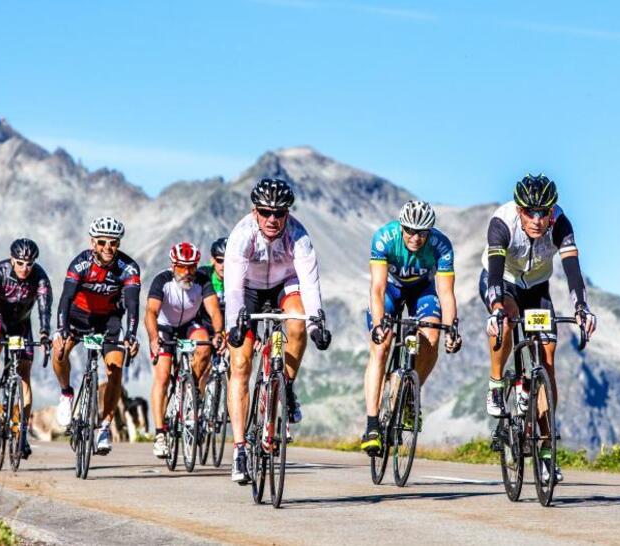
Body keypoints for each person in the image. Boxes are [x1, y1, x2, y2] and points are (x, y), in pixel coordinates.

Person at [480, 174, 597, 483]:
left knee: (548, 358)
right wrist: (495, 309)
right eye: (529, 212)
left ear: (551, 210)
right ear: (519, 210)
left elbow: (573, 272)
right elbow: (493, 274)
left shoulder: (561, 225)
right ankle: (495, 384)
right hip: (502, 282)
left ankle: (545, 452)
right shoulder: (501, 222)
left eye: (542, 212)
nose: (536, 219)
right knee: (507, 314)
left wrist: (581, 308)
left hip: (536, 287)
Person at [224, 178, 333, 483]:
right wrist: (235, 324)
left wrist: (315, 326)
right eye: (265, 212)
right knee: (241, 364)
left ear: (288, 213)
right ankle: (240, 449)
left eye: (279, 213)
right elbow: (233, 287)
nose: (272, 219)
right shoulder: (241, 235)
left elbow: (310, 286)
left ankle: (286, 385)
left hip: (285, 284)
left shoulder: (299, 237)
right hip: (249, 289)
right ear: (254, 211)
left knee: (297, 323)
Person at [360, 201, 462, 455]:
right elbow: (377, 288)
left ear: (430, 232)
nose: (416, 238)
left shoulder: (441, 245)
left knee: (432, 335)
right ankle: (372, 425)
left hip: (421, 291)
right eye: (410, 231)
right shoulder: (385, 238)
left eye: (422, 233)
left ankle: (410, 393)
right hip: (390, 290)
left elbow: (446, 294)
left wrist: (452, 327)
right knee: (382, 345)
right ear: (401, 226)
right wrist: (377, 324)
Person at [52, 216, 141, 456]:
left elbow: (133, 305)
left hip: (109, 320)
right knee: (58, 351)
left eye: (113, 243)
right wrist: (61, 330)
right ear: (93, 243)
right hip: (77, 316)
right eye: (102, 242)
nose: (107, 248)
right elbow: (65, 299)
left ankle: (104, 427)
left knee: (115, 369)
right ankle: (66, 393)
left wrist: (131, 335)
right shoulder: (80, 264)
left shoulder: (128, 268)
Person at [145, 242, 225, 458]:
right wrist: (154, 339)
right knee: (162, 376)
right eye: (182, 267)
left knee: (204, 345)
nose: (188, 272)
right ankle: (160, 434)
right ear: (173, 265)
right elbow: (151, 312)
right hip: (164, 327)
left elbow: (214, 310)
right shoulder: (162, 280)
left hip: (189, 325)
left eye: (191, 267)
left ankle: (193, 393)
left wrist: (218, 333)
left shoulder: (202, 280)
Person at [0, 238, 52, 459]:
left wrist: (44, 334)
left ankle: (22, 435)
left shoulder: (40, 278)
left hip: (21, 323)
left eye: (29, 264)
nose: (24, 268)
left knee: (24, 374)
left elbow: (44, 309)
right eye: (20, 263)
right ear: (12, 260)